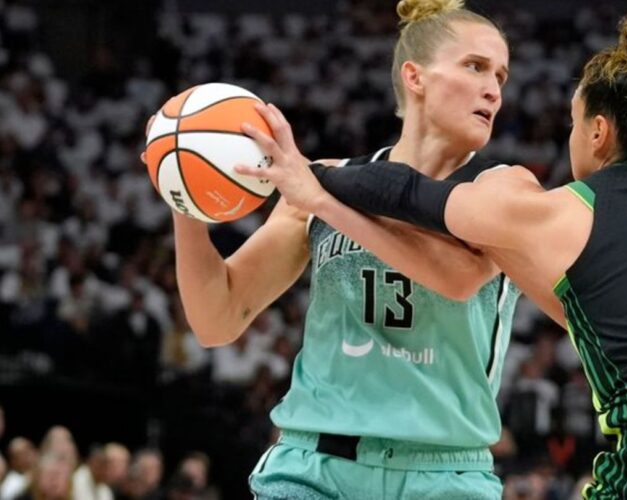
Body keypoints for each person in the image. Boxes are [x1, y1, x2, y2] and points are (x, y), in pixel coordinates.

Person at [238, 5, 627, 499]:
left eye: (574, 124)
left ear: (599, 132)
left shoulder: (566, 207)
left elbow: (408, 192)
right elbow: (618, 311)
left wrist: (312, 178)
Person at [145, 0, 521, 497]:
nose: (492, 89)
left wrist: (322, 197)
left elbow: (458, 278)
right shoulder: (321, 181)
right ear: (416, 77)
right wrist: (184, 191)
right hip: (314, 465)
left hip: (443, 472)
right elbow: (218, 318)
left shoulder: (505, 188)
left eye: (501, 75)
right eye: (474, 67)